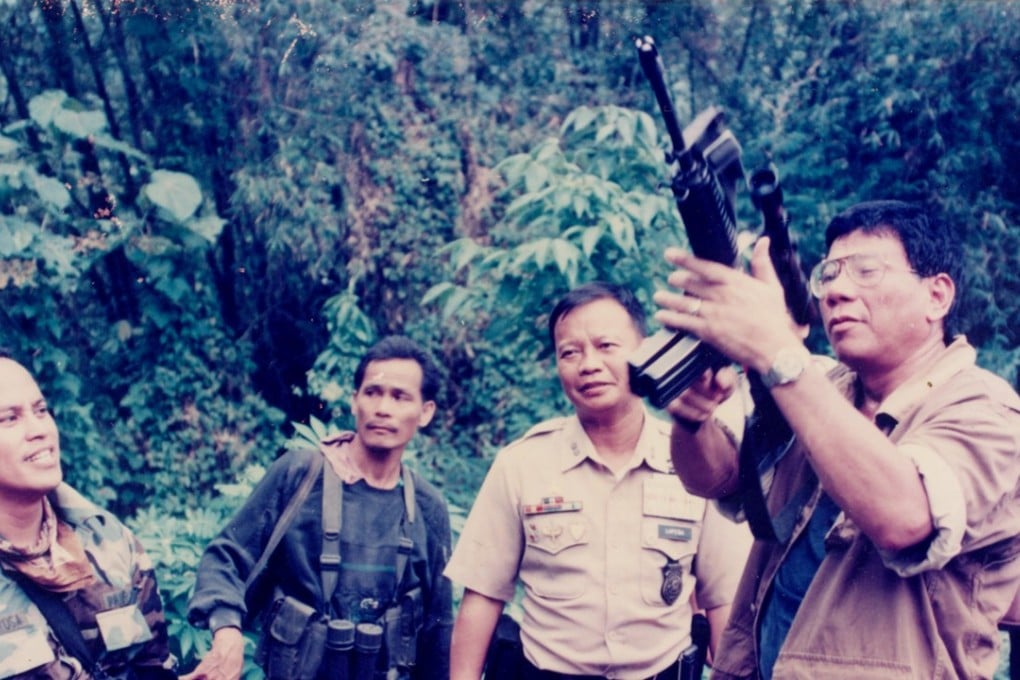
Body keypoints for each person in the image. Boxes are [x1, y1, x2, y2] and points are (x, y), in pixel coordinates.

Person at [655, 200, 1020, 679]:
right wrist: (693, 419)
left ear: (937, 296)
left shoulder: (987, 410)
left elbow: (905, 517)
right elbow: (719, 478)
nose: (836, 291)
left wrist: (776, 350)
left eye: (866, 271)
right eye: (829, 274)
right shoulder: (822, 388)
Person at [445, 282, 753, 679]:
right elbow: (483, 596)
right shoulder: (522, 464)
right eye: (569, 352)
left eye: (606, 345)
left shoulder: (697, 464)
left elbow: (724, 602)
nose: (588, 364)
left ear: (643, 352)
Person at [185, 335, 453, 680]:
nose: (383, 408)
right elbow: (226, 558)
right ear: (354, 401)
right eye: (372, 392)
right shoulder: (299, 476)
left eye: (400, 397)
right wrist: (227, 634)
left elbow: (438, 630)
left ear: (425, 412)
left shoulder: (427, 507)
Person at [0, 349, 177, 679]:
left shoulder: (108, 538)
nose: (39, 429)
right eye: (9, 418)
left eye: (41, 410)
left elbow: (153, 665)